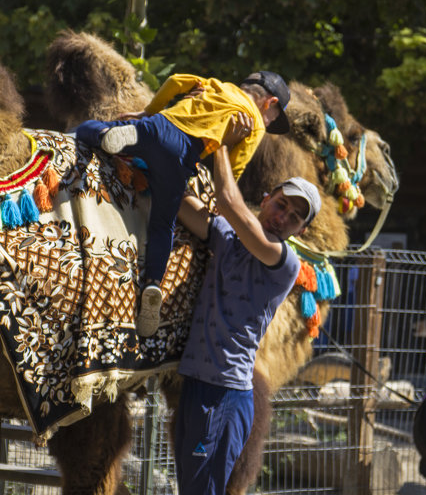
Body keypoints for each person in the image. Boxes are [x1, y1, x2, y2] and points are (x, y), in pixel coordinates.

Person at [123, 148, 321, 495]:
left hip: (227, 400)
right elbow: (186, 207)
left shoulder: (284, 263)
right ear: (268, 200)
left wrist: (220, 149)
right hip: (196, 393)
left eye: (295, 216)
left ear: (299, 229)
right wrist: (145, 174)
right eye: (282, 205)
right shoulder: (229, 238)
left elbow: (229, 200)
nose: (284, 217)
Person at [75, 70, 292, 337]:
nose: (268, 124)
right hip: (184, 156)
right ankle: (153, 284)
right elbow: (236, 168)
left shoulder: (215, 84)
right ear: (268, 103)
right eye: (274, 118)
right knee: (163, 225)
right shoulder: (254, 124)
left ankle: (109, 137)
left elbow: (177, 80)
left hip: (161, 127)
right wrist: (216, 194)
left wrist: (148, 111)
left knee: (88, 128)